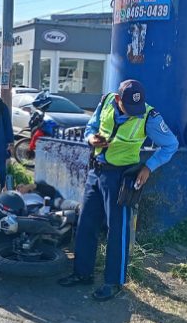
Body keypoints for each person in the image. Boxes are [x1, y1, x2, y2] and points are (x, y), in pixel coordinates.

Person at [58, 79, 178, 301]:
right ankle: (82, 273)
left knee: (118, 230)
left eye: (137, 108)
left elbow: (171, 144)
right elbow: (91, 127)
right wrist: (91, 139)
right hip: (97, 172)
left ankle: (113, 282)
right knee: (86, 223)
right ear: (117, 99)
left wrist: (148, 167)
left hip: (122, 177)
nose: (134, 113)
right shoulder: (105, 102)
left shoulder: (149, 116)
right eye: (128, 108)